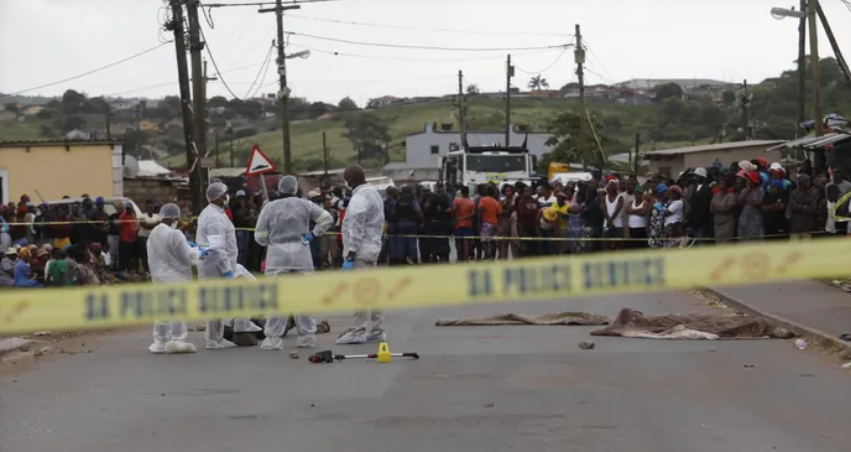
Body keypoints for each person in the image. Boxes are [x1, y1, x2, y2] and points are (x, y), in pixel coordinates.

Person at [254, 175, 334, 350]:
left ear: (280, 189)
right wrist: (313, 234)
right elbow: (327, 219)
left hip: (277, 257)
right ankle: (307, 336)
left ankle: (273, 338)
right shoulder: (305, 204)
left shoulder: (269, 207)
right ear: (295, 188)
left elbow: (259, 235)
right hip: (301, 255)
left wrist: (269, 242)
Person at [336, 165, 387, 345]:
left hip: (360, 250)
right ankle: (377, 330)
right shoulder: (373, 194)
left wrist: (351, 252)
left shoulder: (359, 198)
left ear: (351, 180)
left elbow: (356, 225)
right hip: (372, 247)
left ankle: (358, 331)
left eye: (346, 179)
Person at [145, 203, 199, 354]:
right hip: (177, 278)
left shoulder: (154, 233)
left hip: (159, 277)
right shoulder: (175, 234)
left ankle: (160, 342)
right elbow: (187, 257)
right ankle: (177, 340)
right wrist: (199, 253)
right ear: (174, 218)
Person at [196, 183, 240, 350]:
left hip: (214, 264)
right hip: (216, 266)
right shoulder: (214, 217)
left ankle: (216, 338)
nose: (227, 197)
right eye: (225, 194)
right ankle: (214, 339)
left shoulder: (213, 213)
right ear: (219, 197)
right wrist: (226, 271)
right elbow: (217, 248)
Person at [710, 177, 737, 243]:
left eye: (722, 184)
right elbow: (711, 209)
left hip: (727, 224)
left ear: (727, 185)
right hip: (717, 225)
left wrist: (716, 208)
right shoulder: (716, 195)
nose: (720, 185)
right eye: (719, 184)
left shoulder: (731, 196)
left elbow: (727, 209)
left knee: (726, 243)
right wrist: (721, 208)